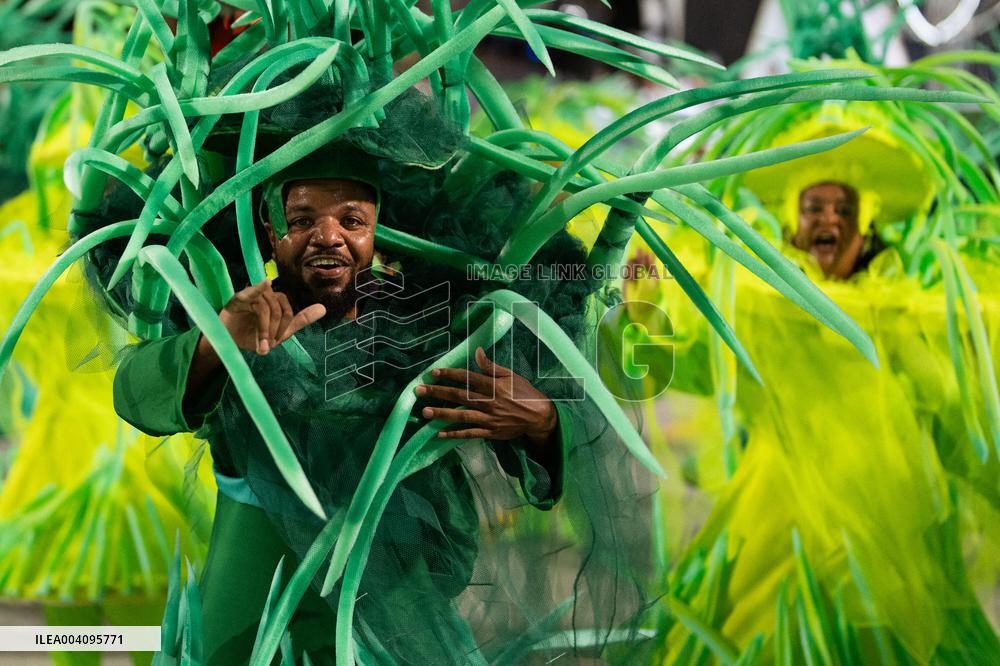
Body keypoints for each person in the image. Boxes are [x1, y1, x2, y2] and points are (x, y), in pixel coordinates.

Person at [111, 150, 592, 663]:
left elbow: (549, 455)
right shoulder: (241, 310)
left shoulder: (425, 324)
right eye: (301, 221)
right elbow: (136, 393)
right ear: (271, 235)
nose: (328, 236)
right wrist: (217, 345)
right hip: (249, 618)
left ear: (375, 233)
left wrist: (542, 421)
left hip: (394, 617)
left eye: (352, 220)